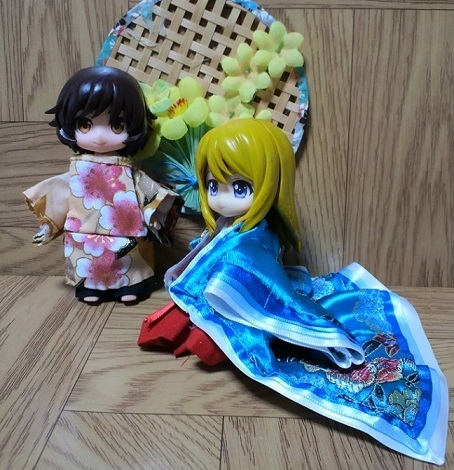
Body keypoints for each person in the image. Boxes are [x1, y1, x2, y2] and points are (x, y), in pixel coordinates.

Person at [138, 118, 447, 464]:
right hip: (217, 301)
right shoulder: (233, 227)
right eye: (213, 186)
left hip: (245, 311)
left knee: (209, 344)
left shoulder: (256, 237)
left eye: (239, 187)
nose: (221, 199)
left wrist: (226, 284)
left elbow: (263, 279)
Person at [24, 66, 182, 304]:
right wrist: (48, 225)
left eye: (117, 125)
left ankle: (130, 285)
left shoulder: (129, 171)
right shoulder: (77, 171)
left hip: (126, 236)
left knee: (130, 265)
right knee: (88, 265)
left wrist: (155, 214)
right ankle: (90, 288)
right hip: (85, 237)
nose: (99, 136)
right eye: (85, 124)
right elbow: (58, 195)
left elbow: (149, 192)